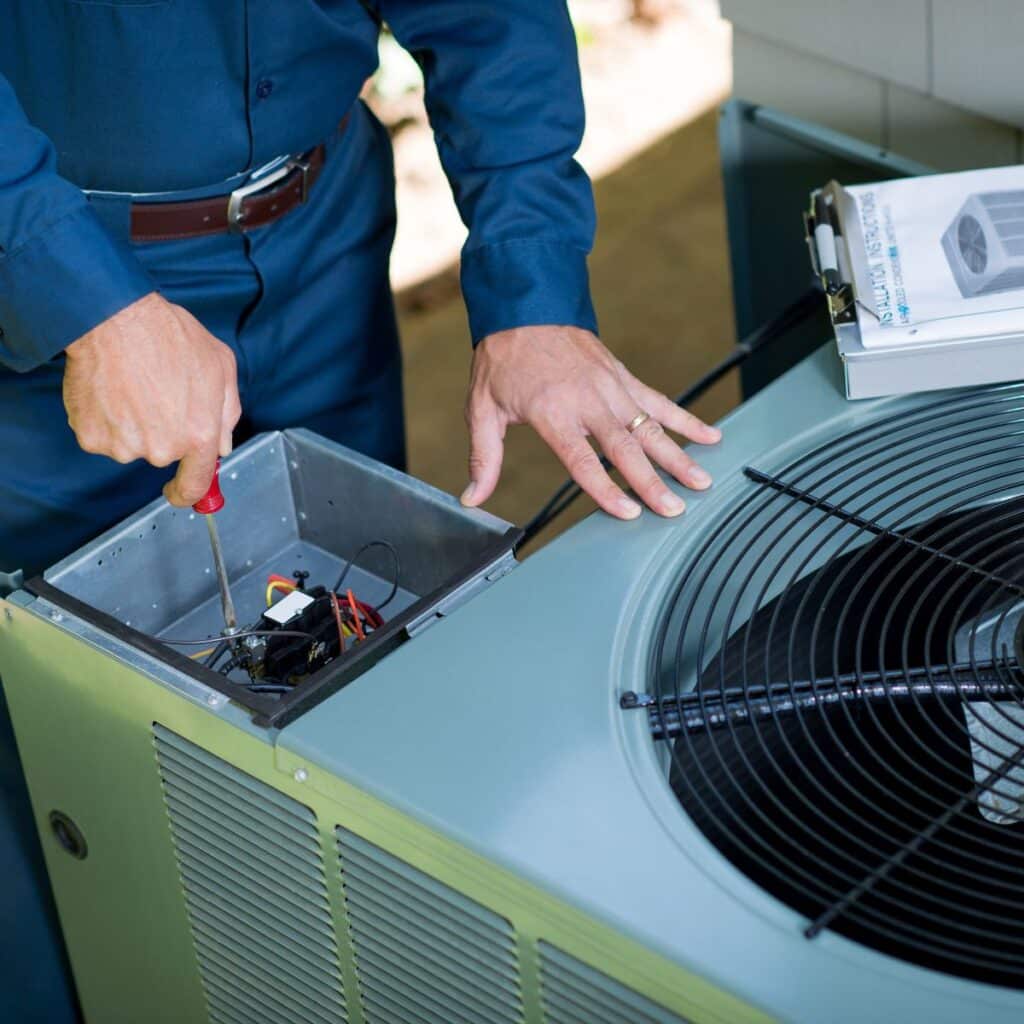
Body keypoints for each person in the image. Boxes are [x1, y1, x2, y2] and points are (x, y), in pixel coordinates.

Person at [0, 2, 722, 1018]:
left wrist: (532, 300)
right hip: (55, 288)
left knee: (340, 670)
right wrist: (79, 298)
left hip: (322, 238)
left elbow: (492, 18)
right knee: (52, 727)